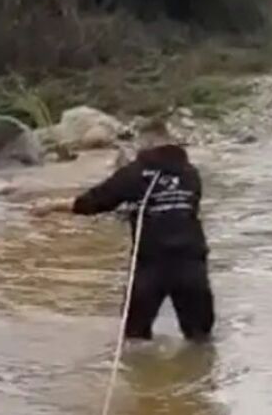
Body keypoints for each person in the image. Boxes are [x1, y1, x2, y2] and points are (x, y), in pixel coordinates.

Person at [31, 117, 215, 342]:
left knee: (135, 338)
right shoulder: (190, 174)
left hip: (153, 264)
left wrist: (51, 206)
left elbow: (93, 202)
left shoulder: (136, 173)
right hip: (192, 261)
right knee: (199, 339)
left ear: (146, 142)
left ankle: (138, 374)